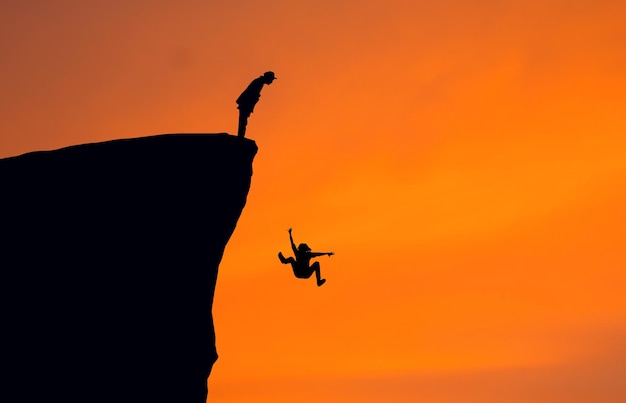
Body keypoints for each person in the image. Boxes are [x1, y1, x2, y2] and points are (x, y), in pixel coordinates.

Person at [236, 71, 276, 137]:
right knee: (243, 121)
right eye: (271, 79)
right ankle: (240, 137)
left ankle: (241, 136)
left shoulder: (259, 82)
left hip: (245, 103)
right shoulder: (259, 82)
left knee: (243, 121)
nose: (271, 82)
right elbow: (251, 94)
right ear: (268, 78)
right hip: (245, 103)